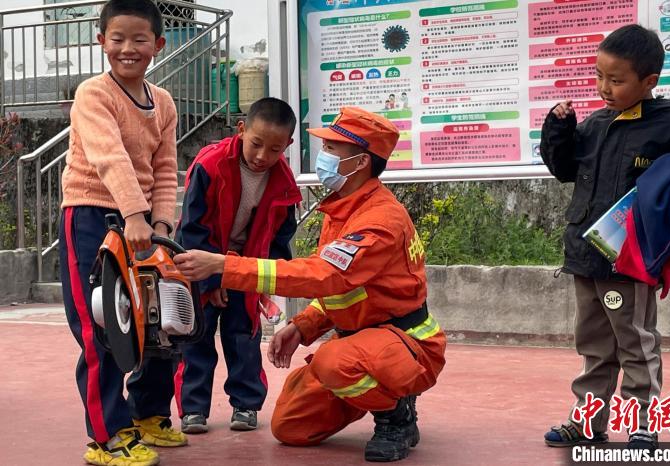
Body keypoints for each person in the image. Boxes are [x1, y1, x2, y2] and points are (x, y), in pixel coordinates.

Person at [173, 106, 447, 462]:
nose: (324, 156)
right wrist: (302, 327)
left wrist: (226, 267)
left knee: (334, 362)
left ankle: (395, 414)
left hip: (405, 344)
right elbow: (345, 290)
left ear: (360, 162)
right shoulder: (344, 209)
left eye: (332, 149)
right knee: (291, 426)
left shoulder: (379, 221)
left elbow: (322, 275)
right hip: (364, 340)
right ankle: (378, 391)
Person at [540, 24, 670, 451]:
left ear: (649, 81)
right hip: (586, 255)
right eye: (599, 76)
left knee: (634, 341)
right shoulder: (594, 123)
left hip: (629, 261)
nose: (604, 88)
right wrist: (558, 130)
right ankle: (588, 422)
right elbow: (565, 170)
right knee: (594, 344)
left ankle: (642, 422)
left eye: (616, 79)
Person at [58, 1, 186, 464]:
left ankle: (148, 414)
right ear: (101, 42)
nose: (127, 49)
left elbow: (167, 169)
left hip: (145, 225)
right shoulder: (94, 94)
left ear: (158, 45)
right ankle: (107, 436)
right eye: (117, 39)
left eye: (138, 39)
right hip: (92, 215)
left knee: (160, 322)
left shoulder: (164, 102)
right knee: (103, 330)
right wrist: (134, 215)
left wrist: (161, 224)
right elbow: (108, 155)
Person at [174, 97, 301, 434]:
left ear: (287, 146)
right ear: (242, 130)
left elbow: (281, 236)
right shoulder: (210, 164)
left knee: (243, 336)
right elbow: (192, 228)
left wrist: (265, 279)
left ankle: (246, 405)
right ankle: (193, 409)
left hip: (246, 268)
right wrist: (211, 281)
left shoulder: (284, 181)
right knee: (194, 336)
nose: (262, 156)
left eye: (274, 149)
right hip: (199, 264)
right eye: (256, 144)